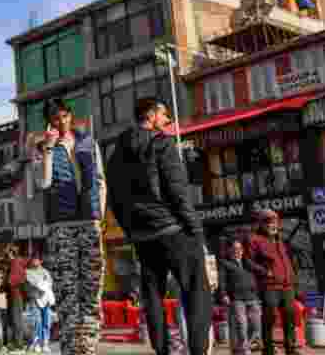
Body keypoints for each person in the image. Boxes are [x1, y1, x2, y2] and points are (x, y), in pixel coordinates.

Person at [105, 97, 211, 355]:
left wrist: (132, 231)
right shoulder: (161, 144)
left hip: (143, 236)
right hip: (172, 230)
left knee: (152, 294)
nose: (167, 120)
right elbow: (178, 193)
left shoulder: (116, 153)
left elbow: (114, 200)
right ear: (151, 116)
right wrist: (195, 230)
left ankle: (162, 351)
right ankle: (197, 351)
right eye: (164, 115)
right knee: (197, 292)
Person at [31, 96, 106, 355]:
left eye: (64, 116)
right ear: (48, 122)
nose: (61, 122)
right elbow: (42, 182)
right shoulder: (40, 147)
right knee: (67, 289)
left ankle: (88, 347)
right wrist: (50, 149)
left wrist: (100, 216)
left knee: (92, 287)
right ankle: (70, 348)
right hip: (61, 225)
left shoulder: (88, 142)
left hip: (89, 221)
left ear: (70, 115)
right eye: (55, 118)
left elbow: (99, 179)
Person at [247, 210, 301, 355]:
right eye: (269, 221)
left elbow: (287, 262)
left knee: (290, 316)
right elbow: (248, 262)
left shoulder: (280, 240)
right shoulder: (254, 239)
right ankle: (268, 349)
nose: (273, 224)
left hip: (287, 285)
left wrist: (293, 281)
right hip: (269, 286)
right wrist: (264, 272)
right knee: (269, 317)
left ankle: (290, 348)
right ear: (262, 223)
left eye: (275, 221)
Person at [219, 239, 262, 355]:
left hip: (252, 297)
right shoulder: (225, 263)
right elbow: (221, 280)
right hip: (237, 298)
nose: (237, 251)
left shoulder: (247, 262)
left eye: (240, 248)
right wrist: (223, 294)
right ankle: (244, 350)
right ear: (229, 250)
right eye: (235, 249)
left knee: (256, 324)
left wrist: (268, 271)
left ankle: (249, 344)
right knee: (241, 324)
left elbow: (259, 269)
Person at [25, 255, 54, 354]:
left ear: (40, 261)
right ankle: (37, 343)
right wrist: (42, 283)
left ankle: (45, 344)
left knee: (47, 322)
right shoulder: (28, 272)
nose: (35, 262)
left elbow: (49, 283)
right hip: (35, 299)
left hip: (46, 300)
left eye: (37, 260)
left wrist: (43, 284)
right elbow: (35, 284)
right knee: (37, 322)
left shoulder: (46, 271)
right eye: (33, 260)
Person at [3, 245, 29, 352]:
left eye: (7, 253)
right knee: (12, 320)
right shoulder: (14, 263)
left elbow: (13, 280)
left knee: (16, 320)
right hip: (13, 295)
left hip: (16, 294)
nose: (6, 255)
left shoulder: (16, 263)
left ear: (11, 253)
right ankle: (15, 343)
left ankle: (18, 344)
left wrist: (5, 283)